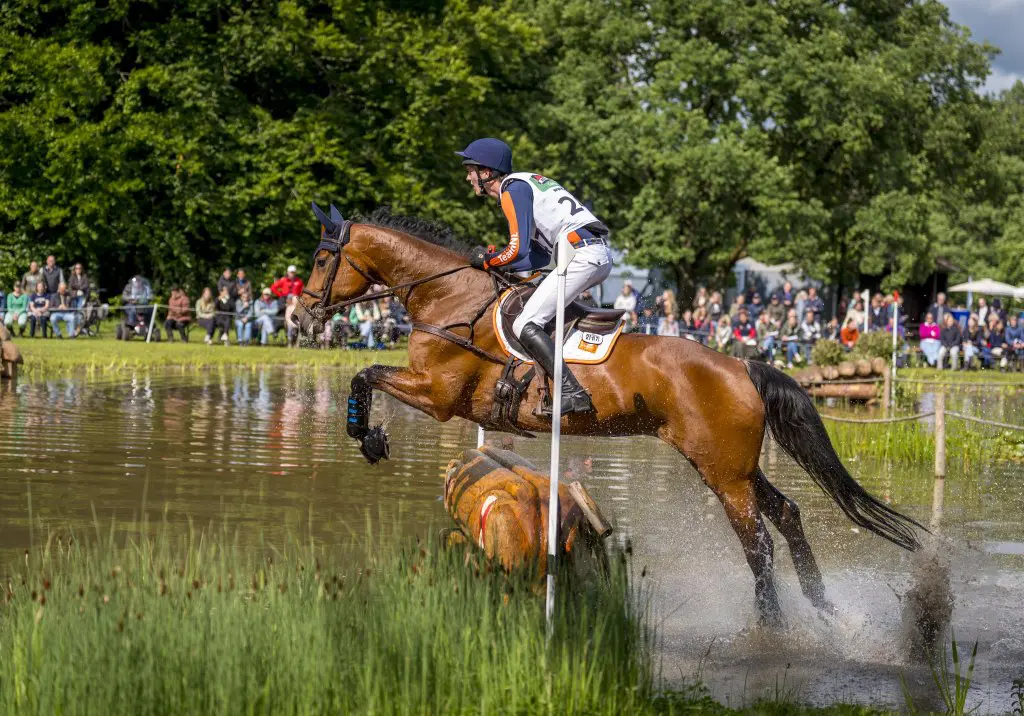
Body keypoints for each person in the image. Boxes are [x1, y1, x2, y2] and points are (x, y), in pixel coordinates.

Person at [457, 137, 611, 415]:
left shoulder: (511, 189)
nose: (468, 178)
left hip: (582, 255)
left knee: (525, 322)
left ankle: (572, 391)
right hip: (588, 253)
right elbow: (537, 256)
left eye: (471, 170)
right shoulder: (524, 185)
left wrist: (489, 260)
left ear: (487, 172)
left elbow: (517, 249)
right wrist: (499, 264)